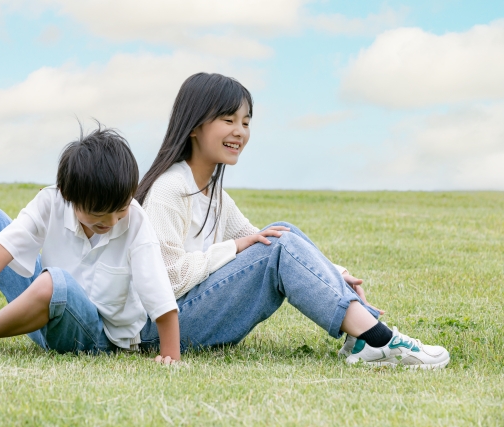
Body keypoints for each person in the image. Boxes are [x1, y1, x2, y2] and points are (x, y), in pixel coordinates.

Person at [136, 72, 449, 369]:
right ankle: (377, 339)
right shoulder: (170, 189)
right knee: (277, 245)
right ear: (193, 126)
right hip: (160, 331)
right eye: (228, 120)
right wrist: (232, 247)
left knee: (282, 232)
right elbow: (169, 279)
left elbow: (263, 239)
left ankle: (363, 336)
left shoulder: (214, 193)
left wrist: (336, 273)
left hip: (190, 316)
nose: (240, 131)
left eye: (245, 122)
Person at [0, 126, 181, 364]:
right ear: (68, 197)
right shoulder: (51, 201)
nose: (112, 221)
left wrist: (171, 355)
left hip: (96, 338)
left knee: (56, 282)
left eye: (121, 209)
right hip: (44, 312)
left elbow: (158, 293)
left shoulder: (136, 223)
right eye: (98, 214)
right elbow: (7, 243)